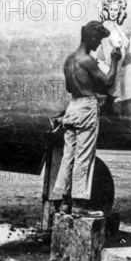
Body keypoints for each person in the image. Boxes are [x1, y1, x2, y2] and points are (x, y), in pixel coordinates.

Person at [52, 21, 122, 217]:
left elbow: (68, 88)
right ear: (91, 38)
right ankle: (80, 205)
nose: (99, 45)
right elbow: (108, 81)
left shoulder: (69, 60)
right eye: (98, 40)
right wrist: (115, 60)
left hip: (72, 107)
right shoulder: (87, 60)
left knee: (69, 156)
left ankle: (64, 202)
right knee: (84, 157)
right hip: (86, 107)